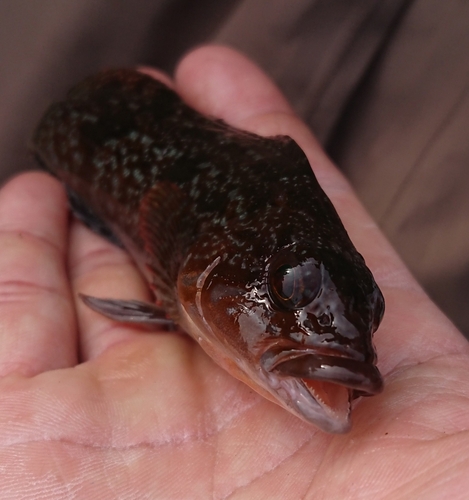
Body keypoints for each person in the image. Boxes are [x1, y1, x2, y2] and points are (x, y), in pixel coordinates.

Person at [0, 46, 467, 498]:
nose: (351, 343)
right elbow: (165, 210)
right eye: (293, 287)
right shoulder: (196, 255)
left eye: (369, 311)